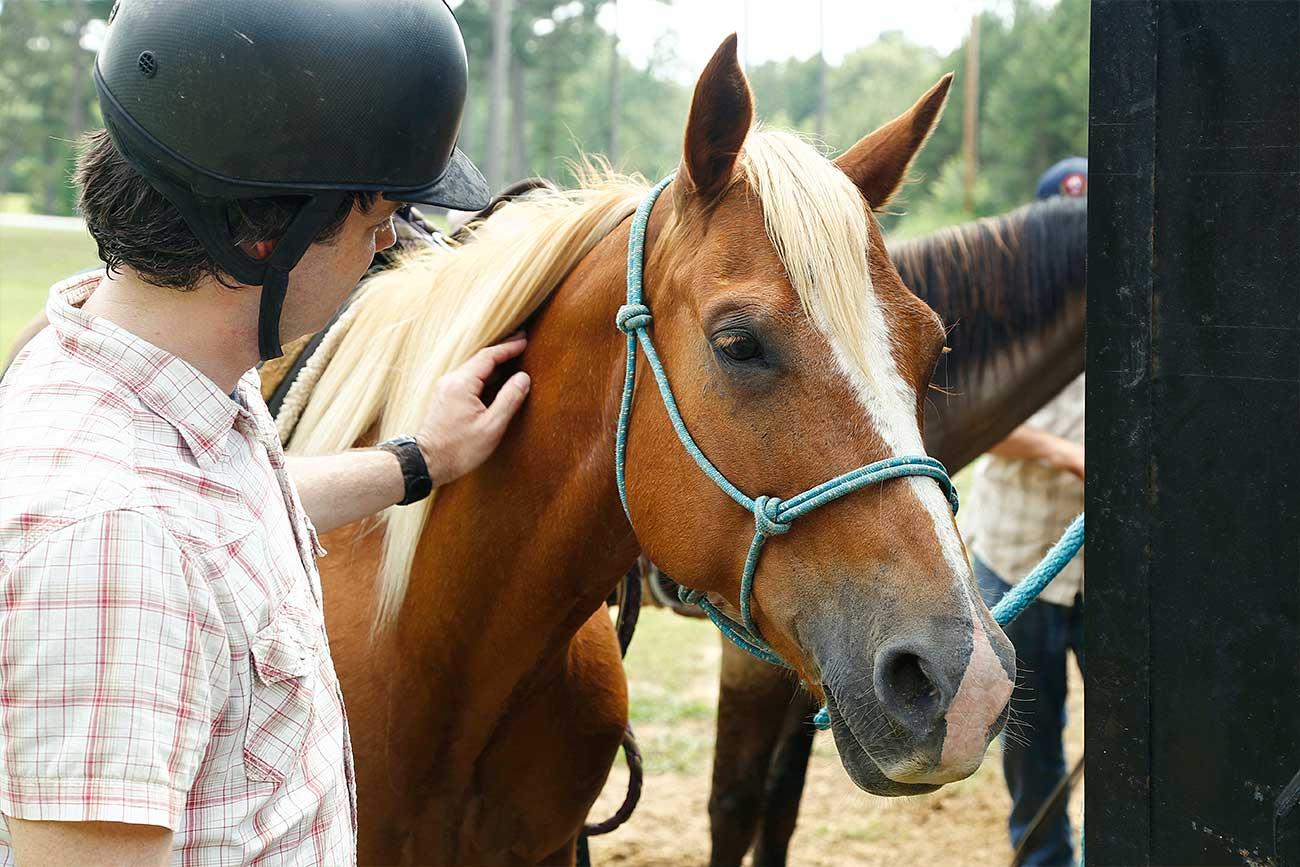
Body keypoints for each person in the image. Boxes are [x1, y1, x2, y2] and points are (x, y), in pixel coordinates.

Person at [0, 2, 530, 864]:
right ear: (265, 241)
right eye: (375, 222)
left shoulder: (148, 369)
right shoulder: (112, 543)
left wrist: (419, 460)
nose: (386, 246)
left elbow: (219, 528)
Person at [967, 158, 1087, 867]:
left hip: (1109, 567)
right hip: (1020, 558)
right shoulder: (1002, 317)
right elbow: (973, 418)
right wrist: (1065, 453)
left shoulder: (1138, 305)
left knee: (1136, 731)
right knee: (1031, 739)